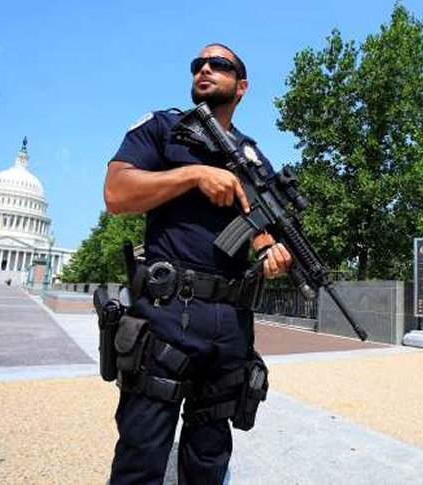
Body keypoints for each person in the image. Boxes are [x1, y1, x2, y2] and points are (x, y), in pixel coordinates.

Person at [103, 43, 292, 484]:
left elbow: (256, 221)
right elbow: (116, 193)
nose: (204, 69)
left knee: (208, 458)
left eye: (219, 65)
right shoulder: (163, 128)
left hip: (229, 323)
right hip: (166, 311)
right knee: (142, 451)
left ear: (241, 87)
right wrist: (193, 175)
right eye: (198, 65)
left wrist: (270, 251)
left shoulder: (252, 156)